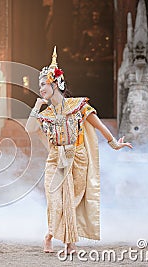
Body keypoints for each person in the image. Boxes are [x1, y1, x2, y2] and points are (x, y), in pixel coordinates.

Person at [25, 47, 132, 255]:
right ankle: (49, 234)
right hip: (56, 159)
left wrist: (114, 144)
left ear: (56, 84)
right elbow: (30, 129)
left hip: (77, 157)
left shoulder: (78, 106)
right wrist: (36, 106)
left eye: (44, 84)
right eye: (39, 85)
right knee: (54, 198)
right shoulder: (45, 113)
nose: (41, 88)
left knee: (70, 201)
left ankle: (69, 243)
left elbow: (99, 126)